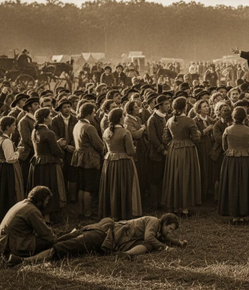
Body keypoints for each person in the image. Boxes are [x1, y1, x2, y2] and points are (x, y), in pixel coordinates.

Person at [8, 213, 187, 266]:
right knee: (62, 247)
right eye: (170, 228)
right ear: (164, 222)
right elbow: (149, 238)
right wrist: (166, 248)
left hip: (103, 233)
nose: (169, 233)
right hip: (103, 235)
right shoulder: (154, 221)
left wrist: (177, 243)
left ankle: (19, 257)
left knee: (64, 243)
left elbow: (163, 238)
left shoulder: (158, 228)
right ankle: (23, 261)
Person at [161, 97, 201, 216]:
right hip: (187, 150)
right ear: (185, 107)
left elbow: (165, 138)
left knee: (174, 176)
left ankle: (174, 206)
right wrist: (197, 135)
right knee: (185, 177)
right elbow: (196, 138)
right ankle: (184, 208)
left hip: (173, 150)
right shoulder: (189, 121)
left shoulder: (169, 120)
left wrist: (173, 142)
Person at [99, 108, 142, 221]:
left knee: (112, 187)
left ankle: (112, 211)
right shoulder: (125, 132)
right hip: (123, 163)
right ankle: (124, 212)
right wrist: (135, 148)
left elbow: (105, 148)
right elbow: (130, 152)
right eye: (123, 116)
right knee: (123, 187)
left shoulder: (106, 131)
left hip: (109, 162)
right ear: (120, 118)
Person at [218, 107, 249, 224]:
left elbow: (224, 147)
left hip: (230, 160)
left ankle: (234, 215)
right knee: (245, 184)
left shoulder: (227, 130)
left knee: (231, 185)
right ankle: (243, 215)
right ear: (245, 117)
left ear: (233, 117)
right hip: (245, 160)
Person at [26, 108, 66, 222]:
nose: (51, 118)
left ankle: (40, 216)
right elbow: (56, 151)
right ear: (44, 118)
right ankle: (48, 217)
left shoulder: (35, 131)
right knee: (49, 188)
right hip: (48, 164)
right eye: (50, 116)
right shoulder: (49, 133)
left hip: (37, 163)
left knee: (39, 189)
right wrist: (62, 151)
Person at [0, 186, 56, 258]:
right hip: (16, 245)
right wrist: (56, 239)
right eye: (46, 201)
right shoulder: (32, 211)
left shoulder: (22, 203)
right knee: (49, 242)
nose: (47, 203)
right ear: (39, 202)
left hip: (5, 243)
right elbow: (46, 234)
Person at [71, 103, 104, 219]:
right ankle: (88, 213)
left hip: (79, 158)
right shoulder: (89, 127)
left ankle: (81, 211)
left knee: (82, 186)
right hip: (90, 159)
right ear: (89, 114)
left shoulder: (77, 125)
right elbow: (99, 145)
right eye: (93, 113)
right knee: (89, 188)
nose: (94, 115)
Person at [50, 98, 78, 203]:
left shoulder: (75, 119)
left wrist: (72, 145)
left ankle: (73, 197)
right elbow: (54, 135)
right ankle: (63, 196)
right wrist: (65, 147)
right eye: (64, 107)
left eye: (68, 107)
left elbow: (77, 134)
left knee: (73, 173)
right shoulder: (55, 120)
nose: (67, 109)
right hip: (60, 151)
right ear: (60, 109)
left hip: (73, 150)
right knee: (62, 173)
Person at [147, 95, 170, 210]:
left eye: (168, 104)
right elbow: (152, 138)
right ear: (159, 106)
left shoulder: (167, 117)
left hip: (166, 152)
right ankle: (154, 204)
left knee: (163, 178)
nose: (168, 106)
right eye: (166, 104)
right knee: (155, 179)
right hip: (156, 154)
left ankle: (162, 201)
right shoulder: (152, 119)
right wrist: (162, 149)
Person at [123, 100, 149, 199]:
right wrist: (142, 129)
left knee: (143, 171)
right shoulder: (128, 120)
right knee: (137, 171)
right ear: (130, 110)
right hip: (135, 149)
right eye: (135, 107)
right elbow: (135, 134)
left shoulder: (137, 118)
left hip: (142, 148)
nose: (138, 108)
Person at [0, 117, 24, 221]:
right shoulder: (6, 141)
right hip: (8, 169)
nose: (15, 127)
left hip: (2, 167)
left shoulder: (1, 138)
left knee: (3, 191)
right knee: (10, 191)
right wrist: (18, 152)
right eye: (13, 125)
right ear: (7, 127)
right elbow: (10, 159)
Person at [193, 99, 215, 202]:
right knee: (203, 167)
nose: (207, 108)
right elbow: (195, 135)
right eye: (204, 107)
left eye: (207, 106)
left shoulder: (210, 119)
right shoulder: (195, 121)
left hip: (210, 145)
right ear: (198, 109)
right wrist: (206, 130)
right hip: (201, 146)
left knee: (210, 168)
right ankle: (201, 193)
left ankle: (209, 191)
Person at [18, 97, 39, 191]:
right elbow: (26, 139)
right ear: (29, 107)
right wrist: (39, 146)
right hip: (27, 154)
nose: (38, 106)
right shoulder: (24, 121)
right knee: (26, 179)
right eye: (35, 104)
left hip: (35, 152)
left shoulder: (36, 119)